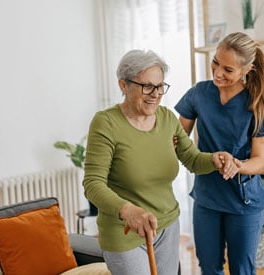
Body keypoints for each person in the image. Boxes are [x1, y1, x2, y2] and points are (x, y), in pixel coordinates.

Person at [83, 49, 239, 275]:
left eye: (160, 87)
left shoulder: (167, 118)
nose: (155, 94)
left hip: (167, 225)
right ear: (123, 85)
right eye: (147, 86)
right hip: (125, 231)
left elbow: (193, 159)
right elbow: (93, 183)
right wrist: (127, 210)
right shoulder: (106, 123)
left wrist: (214, 159)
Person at [175, 32, 264, 275]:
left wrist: (237, 165)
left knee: (242, 270)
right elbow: (177, 139)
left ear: (246, 70)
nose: (218, 72)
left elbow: (259, 161)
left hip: (243, 200)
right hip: (207, 197)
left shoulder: (257, 104)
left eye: (228, 69)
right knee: (209, 267)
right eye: (215, 62)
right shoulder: (199, 94)